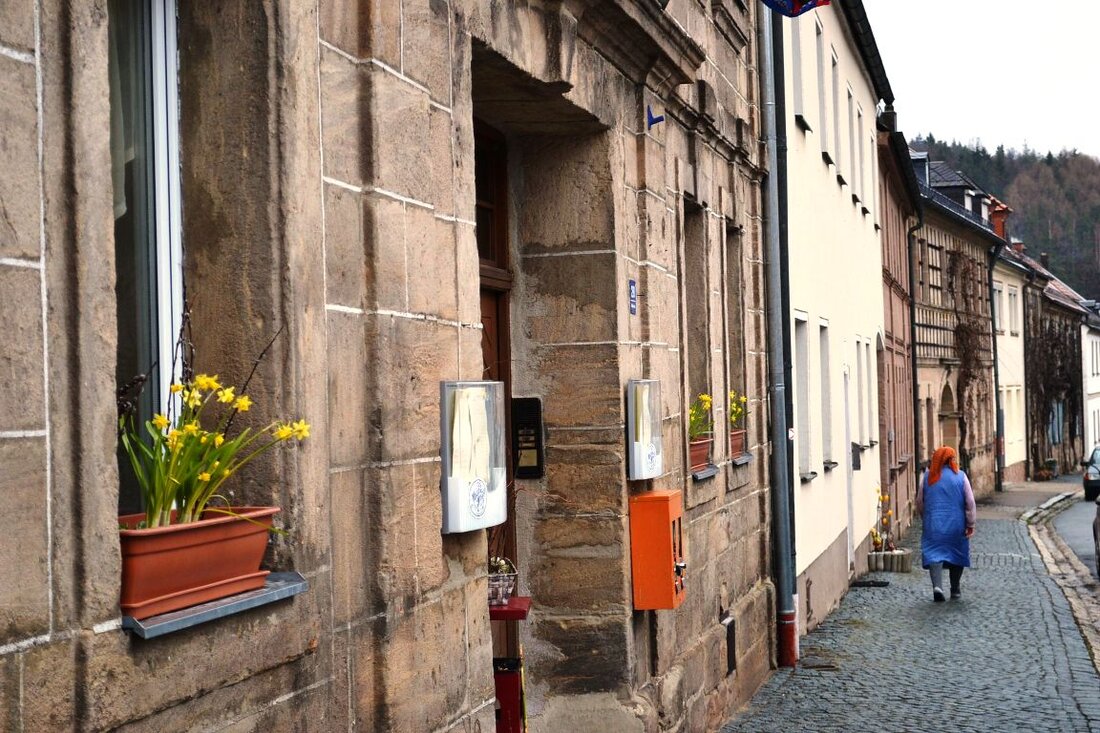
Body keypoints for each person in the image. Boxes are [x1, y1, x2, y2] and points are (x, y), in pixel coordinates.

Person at [915, 445, 976, 602]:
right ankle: (955, 589)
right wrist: (970, 523)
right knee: (957, 553)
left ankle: (937, 586)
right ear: (951, 460)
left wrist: (925, 518)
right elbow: (970, 503)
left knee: (934, 553)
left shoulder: (928, 478)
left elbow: (919, 502)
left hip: (933, 525)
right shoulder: (961, 477)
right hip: (957, 525)